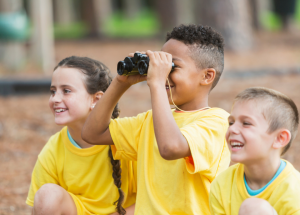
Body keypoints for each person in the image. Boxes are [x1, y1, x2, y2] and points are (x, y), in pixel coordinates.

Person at [82, 24, 230, 214]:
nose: (162, 73)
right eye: (160, 66)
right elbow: (92, 133)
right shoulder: (149, 121)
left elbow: (170, 147)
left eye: (172, 67)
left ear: (207, 76)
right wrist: (120, 83)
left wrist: (157, 83)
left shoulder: (218, 121)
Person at [26, 56, 136, 215]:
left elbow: (151, 199)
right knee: (47, 194)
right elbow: (42, 207)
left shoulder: (126, 138)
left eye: (66, 91)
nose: (55, 99)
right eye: (53, 91)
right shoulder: (53, 148)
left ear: (96, 99)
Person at [209, 87, 300, 215]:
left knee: (255, 208)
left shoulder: (295, 191)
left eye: (246, 123)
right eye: (231, 122)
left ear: (280, 138)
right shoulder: (221, 184)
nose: (232, 129)